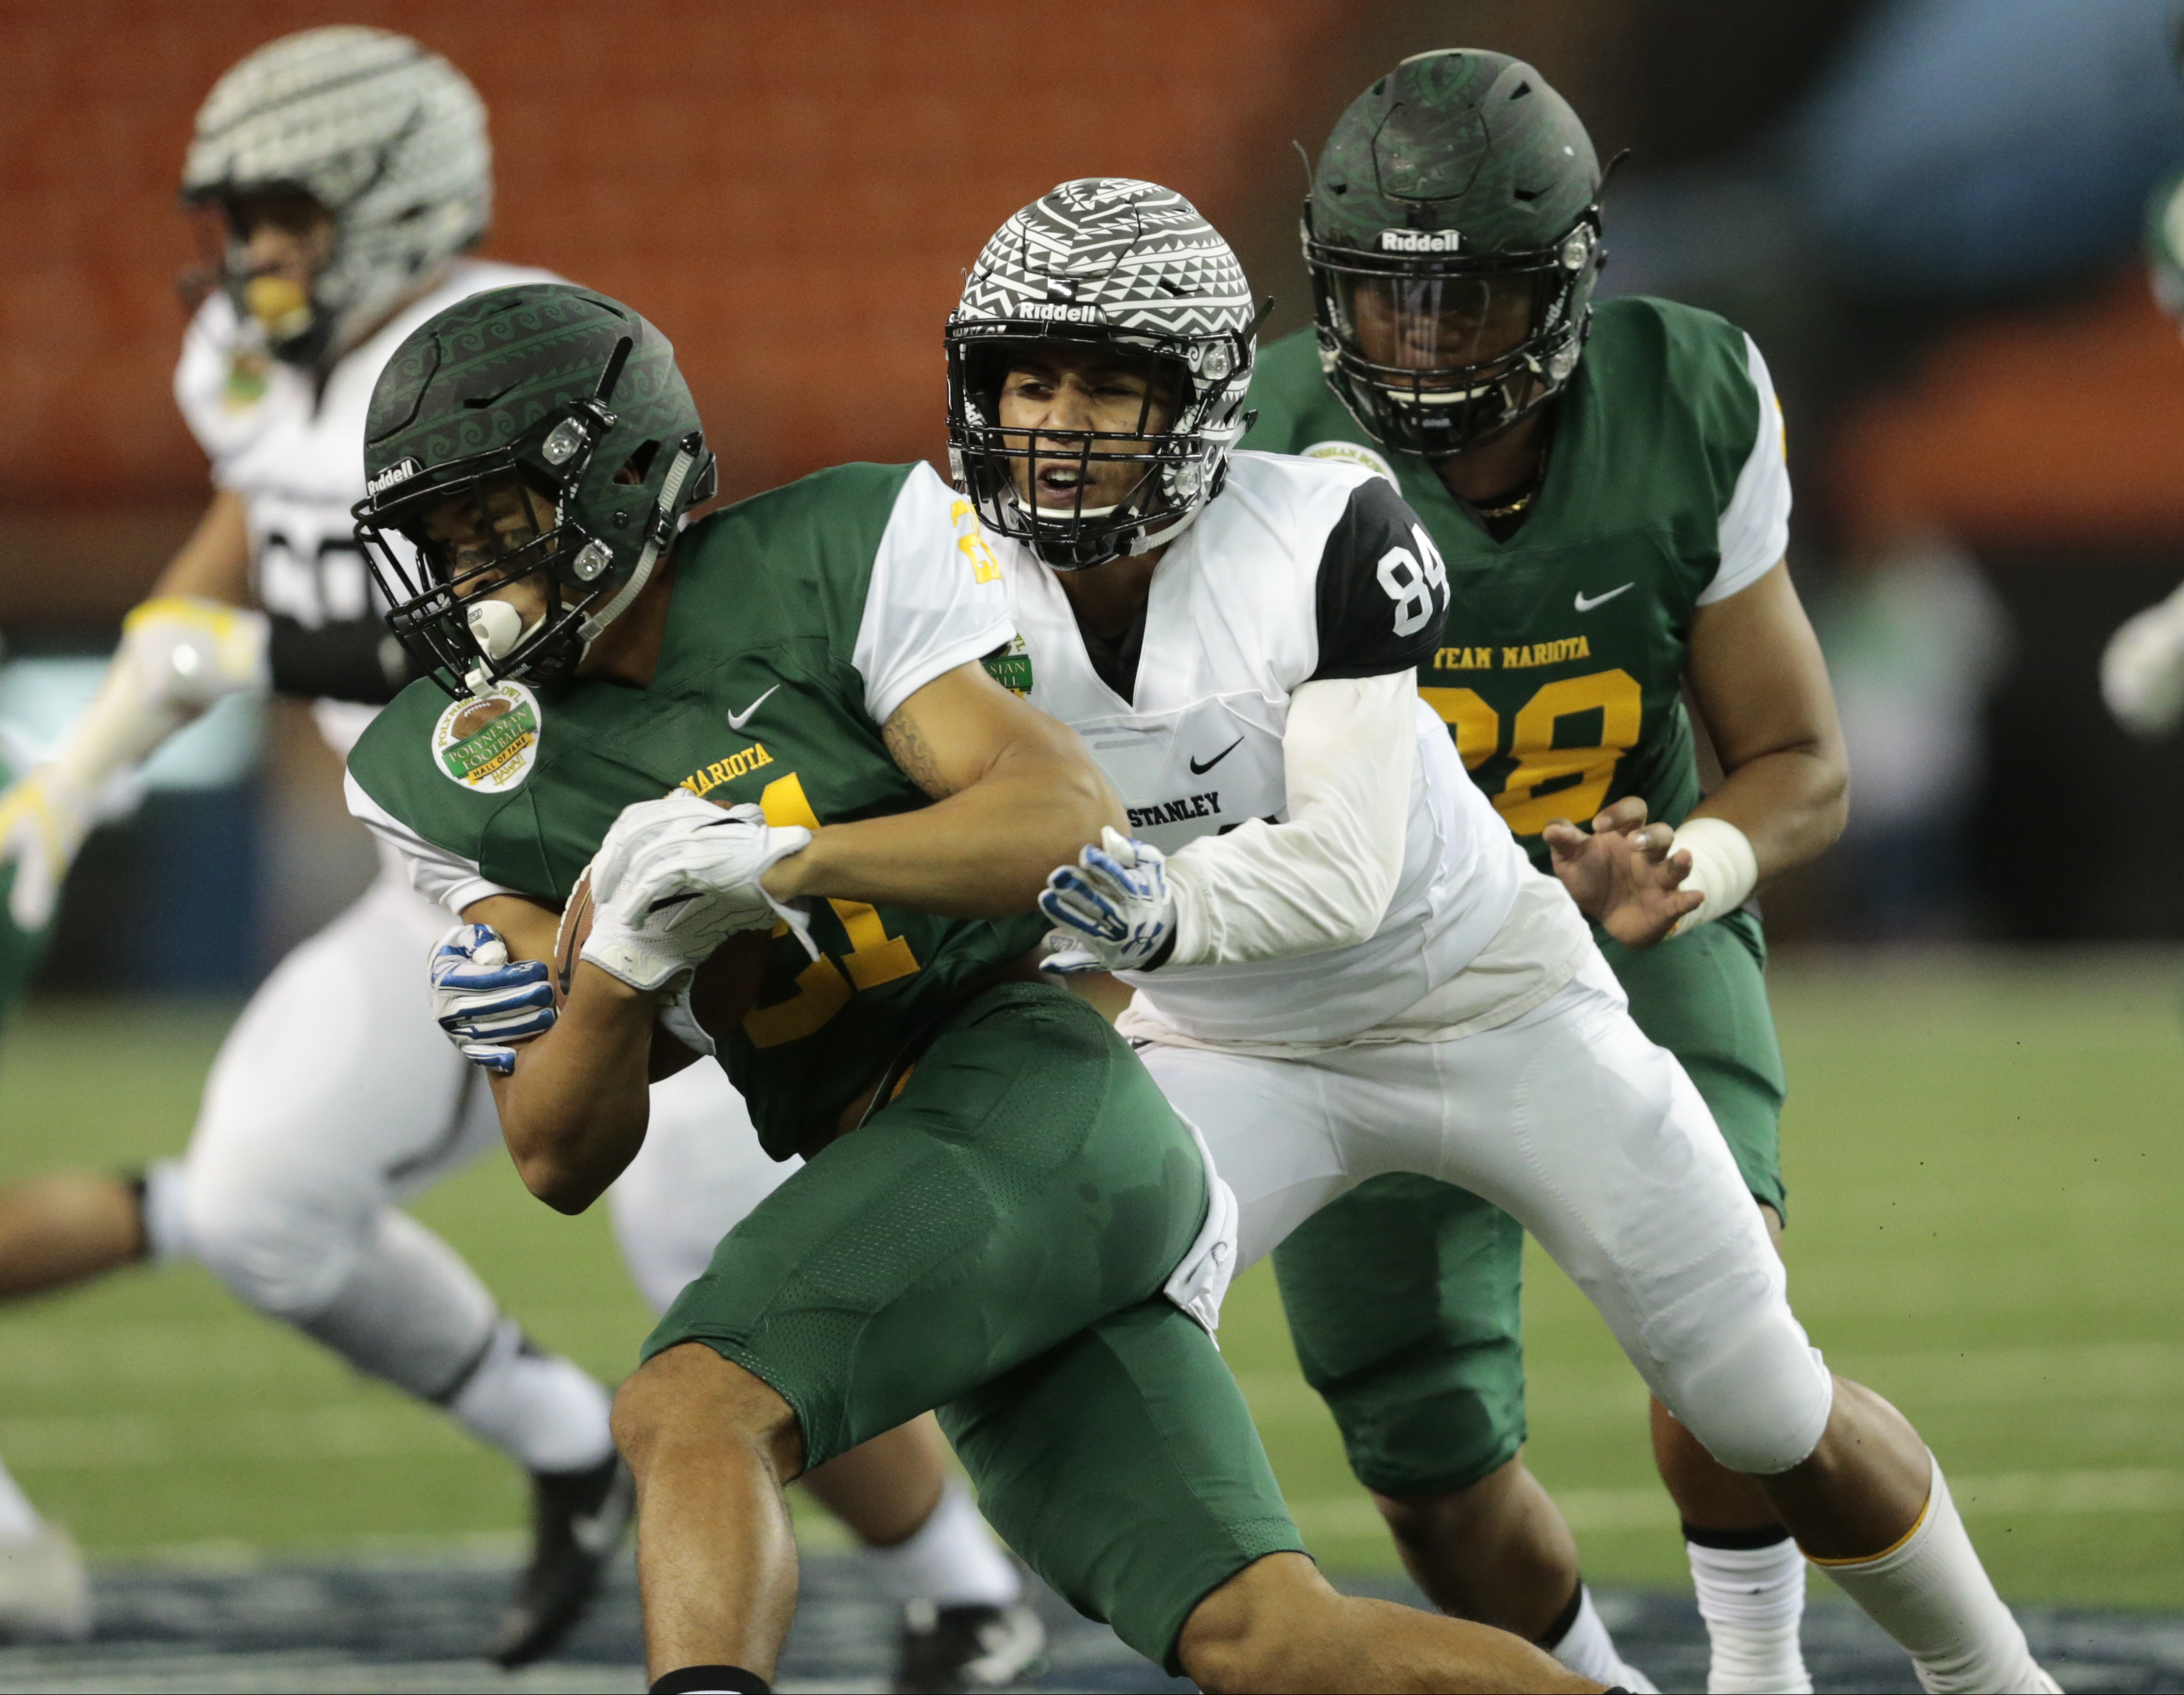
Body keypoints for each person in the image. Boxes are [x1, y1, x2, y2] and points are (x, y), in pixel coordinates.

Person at [342, 278, 1596, 1695]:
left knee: (689, 1405)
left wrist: (784, 864)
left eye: (494, 523)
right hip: (924, 1169)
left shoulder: (832, 550)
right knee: (1273, 1639)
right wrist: (621, 975)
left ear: (624, 471)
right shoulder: (440, 767)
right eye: (437, 541)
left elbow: (1063, 820)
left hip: (1032, 1082)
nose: (463, 574)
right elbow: (559, 1153)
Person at [0, 32, 1032, 1682]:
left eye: (279, 213)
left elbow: (595, 582)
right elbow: (242, 519)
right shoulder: (253, 360)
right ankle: (562, 1443)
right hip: (442, 861)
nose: (248, 253)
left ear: (387, 199)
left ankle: (963, 1581)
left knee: (705, 1234)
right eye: (237, 216)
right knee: (262, 1194)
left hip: (617, 844)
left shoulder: (491, 355)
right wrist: (92, 755)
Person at [942, 174, 2056, 1695]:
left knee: (1745, 1376)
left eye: (1113, 387)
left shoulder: (1325, 508)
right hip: (1245, 1029)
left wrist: (1135, 917)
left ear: (1203, 404)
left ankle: (1945, 1676)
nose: (1063, 428)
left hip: (1491, 972)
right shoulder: (947, 574)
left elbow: (1343, 861)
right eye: (1031, 380)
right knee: (1355, 1431)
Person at [1235, 52, 1843, 1692]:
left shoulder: (1690, 390)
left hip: (1632, 916)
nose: (1424, 349)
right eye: (1386, 306)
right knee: (1427, 1467)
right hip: (1364, 959)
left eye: (1473, 307)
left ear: (1570, 282)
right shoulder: (1256, 438)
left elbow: (1797, 756)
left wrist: (1697, 865)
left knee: (1733, 1353)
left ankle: (1761, 1668)